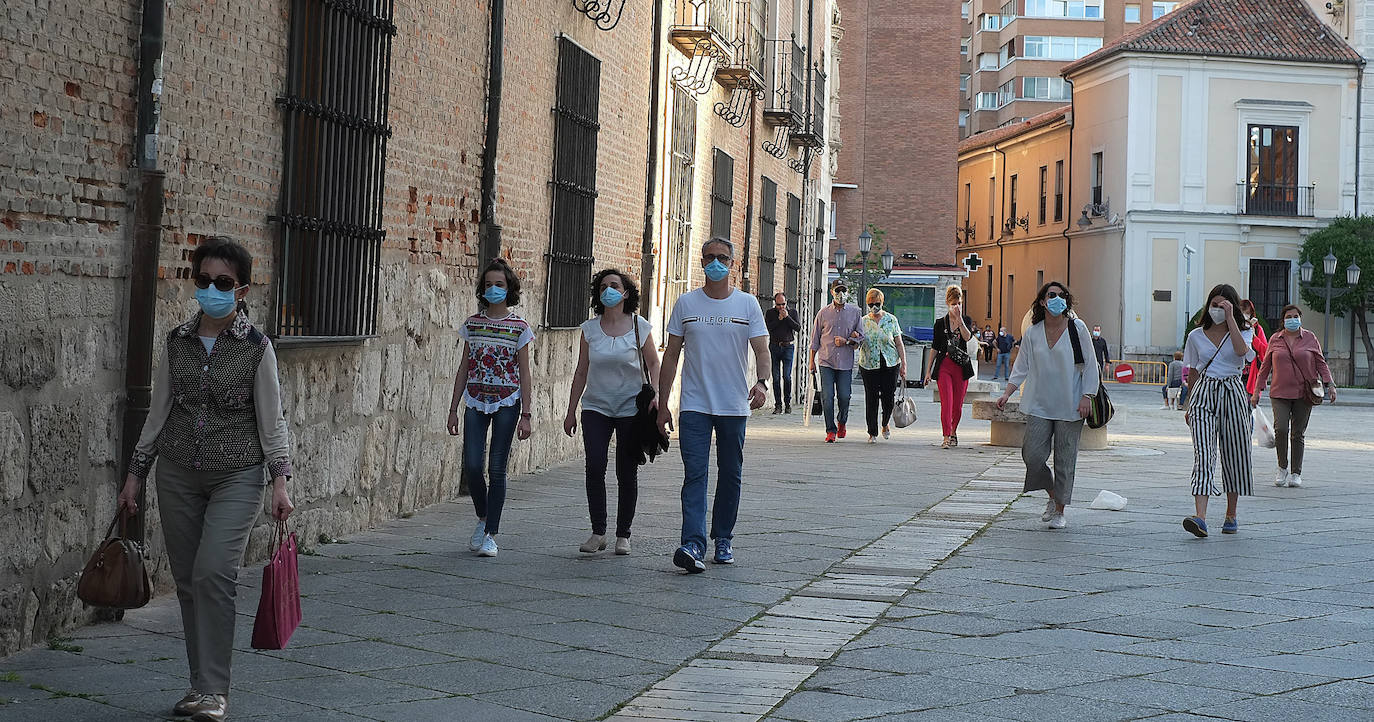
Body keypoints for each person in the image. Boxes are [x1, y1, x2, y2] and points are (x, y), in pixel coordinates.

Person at [117, 237, 295, 722]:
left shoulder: (257, 349)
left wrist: (280, 481)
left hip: (237, 475)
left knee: (214, 571)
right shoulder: (176, 341)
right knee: (189, 581)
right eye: (203, 281)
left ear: (240, 290)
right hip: (176, 473)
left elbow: (271, 421)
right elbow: (158, 414)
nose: (211, 289)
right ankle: (199, 687)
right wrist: (135, 475)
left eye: (222, 282)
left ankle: (216, 690)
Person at [657, 238, 770, 573]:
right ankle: (693, 543)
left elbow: (762, 350)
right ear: (702, 262)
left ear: (733, 263)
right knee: (695, 474)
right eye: (710, 258)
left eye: (723, 258)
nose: (716, 263)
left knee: (731, 474)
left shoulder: (747, 304)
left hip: (734, 405)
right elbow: (672, 355)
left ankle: (723, 537)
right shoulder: (686, 304)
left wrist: (763, 383)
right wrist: (663, 404)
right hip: (694, 404)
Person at [564, 269, 660, 555]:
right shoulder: (589, 329)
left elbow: (654, 364)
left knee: (626, 471)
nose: (608, 290)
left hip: (631, 409)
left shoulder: (640, 327)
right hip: (596, 407)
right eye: (603, 286)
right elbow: (581, 371)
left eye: (614, 286)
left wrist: (656, 394)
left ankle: (623, 535)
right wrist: (570, 410)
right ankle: (598, 532)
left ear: (626, 293)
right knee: (594, 466)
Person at [447, 258, 534, 559]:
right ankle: (483, 517)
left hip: (507, 402)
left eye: (499, 284)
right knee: (472, 465)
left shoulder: (519, 328)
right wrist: (453, 408)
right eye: (488, 285)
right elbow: (463, 367)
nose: (493, 289)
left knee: (497, 468)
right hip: (475, 399)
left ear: (509, 288)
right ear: (482, 290)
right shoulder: (472, 324)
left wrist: (527, 414)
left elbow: (525, 372)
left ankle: (490, 534)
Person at [996, 281, 1098, 530]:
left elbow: (1090, 364)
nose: (1057, 299)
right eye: (1052, 295)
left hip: (1070, 404)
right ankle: (1053, 495)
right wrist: (1007, 393)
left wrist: (1088, 396)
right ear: (1042, 301)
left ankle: (1060, 511)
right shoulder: (1033, 331)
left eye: (1062, 296)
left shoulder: (1078, 328)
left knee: (1065, 459)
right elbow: (1022, 366)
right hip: (1039, 403)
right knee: (1032, 455)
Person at [1181, 283, 1255, 538]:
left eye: (1224, 305)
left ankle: (1230, 513)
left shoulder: (1245, 332)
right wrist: (1189, 403)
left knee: (1234, 453)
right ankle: (1200, 518)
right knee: (1204, 453)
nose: (1218, 310)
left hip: (1232, 391)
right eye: (1215, 304)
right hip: (1204, 392)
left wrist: (1233, 319)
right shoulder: (1195, 336)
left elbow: (1241, 352)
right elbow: (1192, 371)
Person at [1250, 305, 1336, 489]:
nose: (1293, 319)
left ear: (1300, 318)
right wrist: (1257, 391)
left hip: (1303, 394)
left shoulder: (1310, 338)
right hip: (1279, 392)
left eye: (1296, 316)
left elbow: (1321, 363)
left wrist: (1330, 385)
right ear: (1283, 320)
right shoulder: (1275, 339)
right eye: (1289, 316)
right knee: (1280, 429)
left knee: (1298, 433)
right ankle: (1282, 467)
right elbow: (1265, 368)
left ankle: (1296, 472)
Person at [809, 280, 862, 442]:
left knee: (845, 396)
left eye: (843, 291)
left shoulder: (855, 312)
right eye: (837, 291)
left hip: (845, 362)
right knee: (827, 396)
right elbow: (815, 339)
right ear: (832, 292)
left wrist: (847, 340)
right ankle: (830, 430)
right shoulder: (823, 313)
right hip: (826, 361)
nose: (841, 294)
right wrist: (811, 361)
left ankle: (842, 421)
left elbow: (861, 336)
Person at [926, 286, 975, 449]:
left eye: (959, 303)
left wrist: (960, 320)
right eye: (954, 303)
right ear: (948, 303)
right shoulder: (940, 323)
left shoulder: (965, 321)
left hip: (961, 367)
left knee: (958, 405)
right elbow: (934, 347)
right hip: (944, 365)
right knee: (946, 402)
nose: (957, 306)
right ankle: (946, 436)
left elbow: (967, 338)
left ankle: (954, 431)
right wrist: (928, 371)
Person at [856, 288, 907, 443]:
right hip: (869, 364)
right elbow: (856, 341)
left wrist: (904, 364)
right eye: (871, 304)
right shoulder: (863, 321)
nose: (874, 306)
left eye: (877, 303)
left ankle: (885, 423)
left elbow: (899, 343)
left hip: (890, 363)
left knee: (888, 397)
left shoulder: (891, 320)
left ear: (882, 302)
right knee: (871, 398)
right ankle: (872, 432)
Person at [765, 292, 802, 413]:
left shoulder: (792, 312)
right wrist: (778, 319)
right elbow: (768, 328)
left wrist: (787, 317)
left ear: (787, 303)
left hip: (788, 347)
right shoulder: (770, 313)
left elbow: (797, 327)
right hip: (775, 346)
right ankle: (778, 405)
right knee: (775, 378)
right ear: (775, 303)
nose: (781, 307)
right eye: (778, 304)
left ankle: (787, 404)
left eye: (783, 304)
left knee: (786, 376)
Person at [1239, 298, 1270, 396]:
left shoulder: (1257, 329)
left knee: (1248, 408)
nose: (1245, 316)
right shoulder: (1232, 327)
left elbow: (1265, 352)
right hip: (1234, 372)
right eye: (1242, 313)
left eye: (1248, 313)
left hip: (1251, 374)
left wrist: (1254, 337)